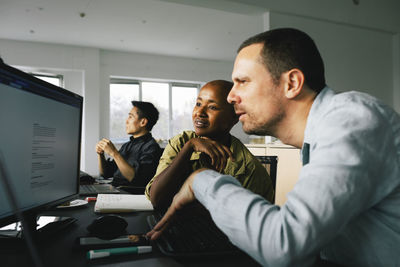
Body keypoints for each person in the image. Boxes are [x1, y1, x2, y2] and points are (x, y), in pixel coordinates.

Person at [147, 28, 400, 267]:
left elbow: (285, 245)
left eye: (242, 82)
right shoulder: (317, 137)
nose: (232, 97)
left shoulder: (352, 120)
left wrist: (201, 180)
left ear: (291, 83)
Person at [145, 80, 274, 208]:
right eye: (198, 103)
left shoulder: (249, 169)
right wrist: (189, 147)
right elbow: (156, 198)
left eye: (212, 107)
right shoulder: (181, 142)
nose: (199, 113)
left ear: (234, 117)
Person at [96, 101, 162, 188]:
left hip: (128, 194)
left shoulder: (151, 147)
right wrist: (100, 154)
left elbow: (136, 179)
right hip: (114, 189)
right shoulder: (127, 145)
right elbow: (105, 173)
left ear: (143, 122)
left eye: (131, 117)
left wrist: (114, 153)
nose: (126, 121)